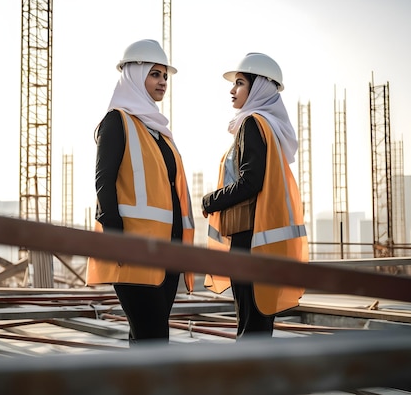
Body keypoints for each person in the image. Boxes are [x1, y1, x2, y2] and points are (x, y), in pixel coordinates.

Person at [86, 39, 195, 347]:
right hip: (134, 251)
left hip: (169, 251)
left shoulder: (161, 132)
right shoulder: (116, 121)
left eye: (165, 76)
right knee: (153, 337)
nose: (162, 82)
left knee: (149, 336)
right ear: (135, 75)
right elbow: (103, 182)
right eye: (155, 74)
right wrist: (117, 241)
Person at [201, 52, 308, 340]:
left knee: (250, 326)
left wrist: (211, 201)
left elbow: (250, 182)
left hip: (249, 239)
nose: (232, 90)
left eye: (239, 83)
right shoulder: (271, 128)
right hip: (265, 240)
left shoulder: (252, 124)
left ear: (258, 87)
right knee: (259, 325)